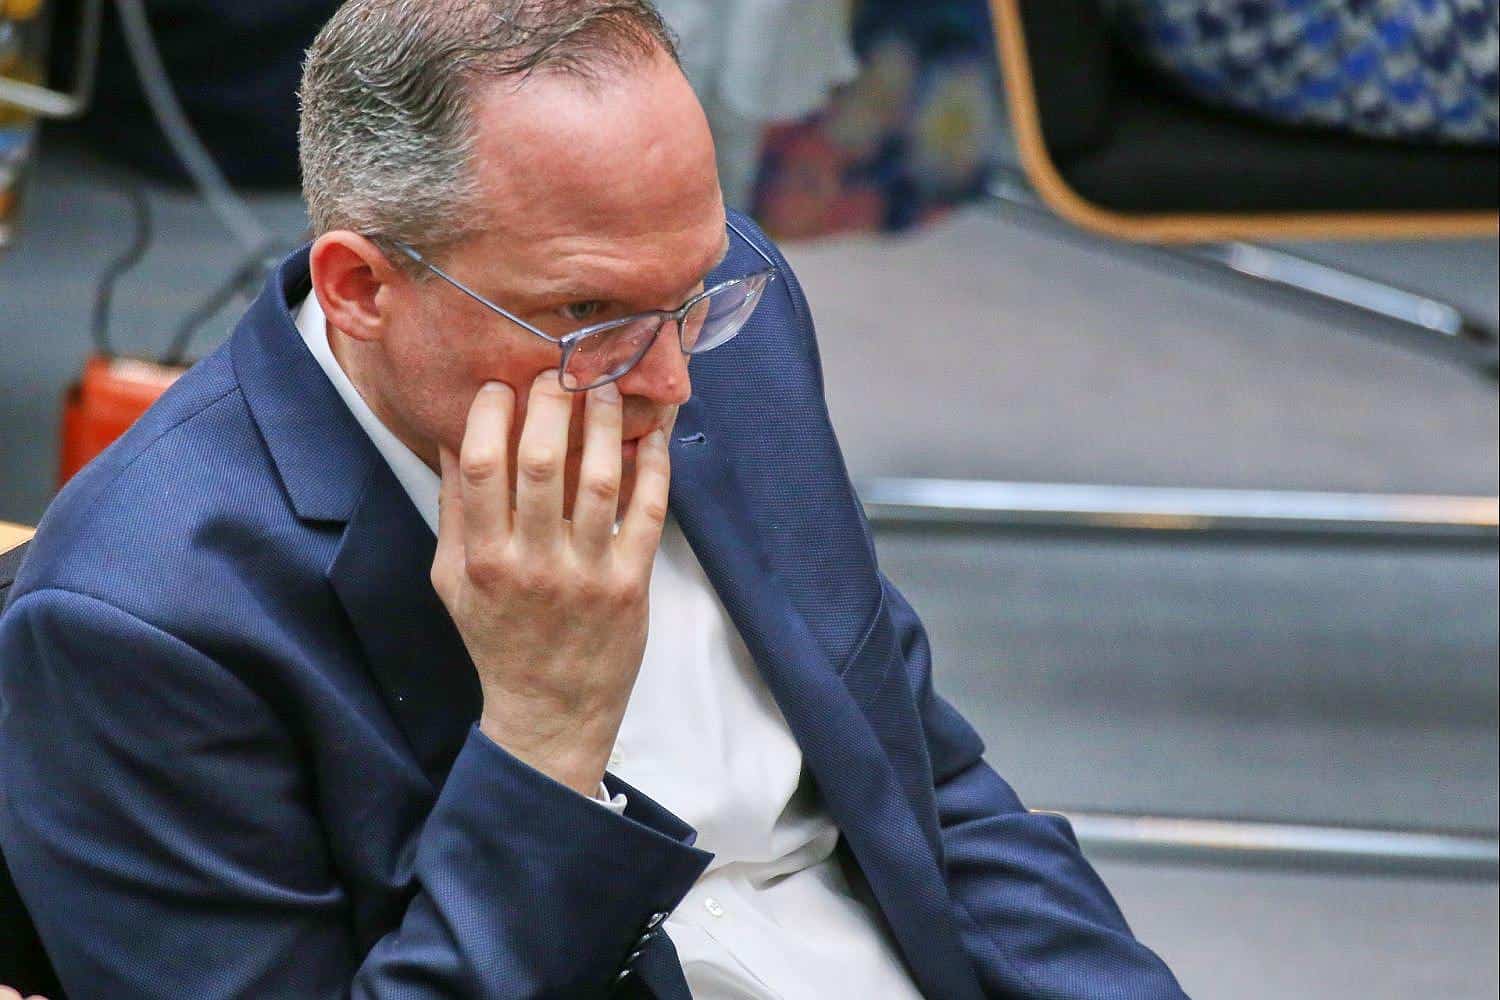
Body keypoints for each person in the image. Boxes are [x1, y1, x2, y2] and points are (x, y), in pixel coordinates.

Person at [0, 2, 1188, 996]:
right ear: (359, 287)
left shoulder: (720, 319)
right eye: (587, 317)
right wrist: (543, 737)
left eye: (695, 287)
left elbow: (928, 792)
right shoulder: (140, 624)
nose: (673, 381)